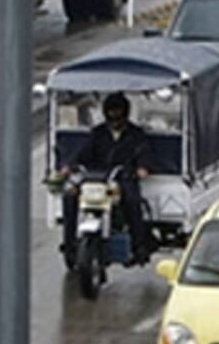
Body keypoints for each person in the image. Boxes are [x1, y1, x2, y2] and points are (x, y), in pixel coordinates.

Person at [57, 92, 153, 266]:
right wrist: (69, 166)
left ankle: (139, 246)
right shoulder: (98, 133)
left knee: (132, 199)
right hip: (96, 178)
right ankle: (70, 244)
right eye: (111, 116)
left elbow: (143, 153)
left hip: (123, 177)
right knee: (69, 195)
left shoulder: (136, 134)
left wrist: (142, 168)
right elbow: (82, 153)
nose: (115, 121)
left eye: (118, 116)